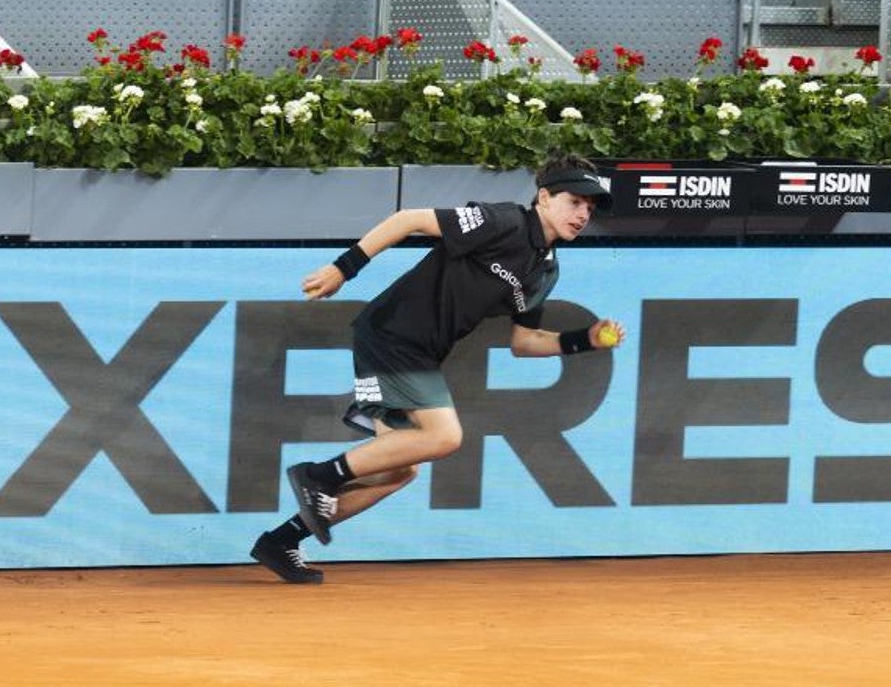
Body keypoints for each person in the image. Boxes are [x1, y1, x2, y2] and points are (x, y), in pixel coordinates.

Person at [250, 153, 625, 583]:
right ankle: (318, 475)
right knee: (444, 436)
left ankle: (281, 540)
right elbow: (408, 219)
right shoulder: (502, 221)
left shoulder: (545, 270)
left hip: (419, 352)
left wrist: (585, 341)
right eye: (575, 202)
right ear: (544, 196)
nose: (583, 215)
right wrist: (343, 268)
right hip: (392, 334)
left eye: (590, 209)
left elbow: (524, 343)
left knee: (397, 471)